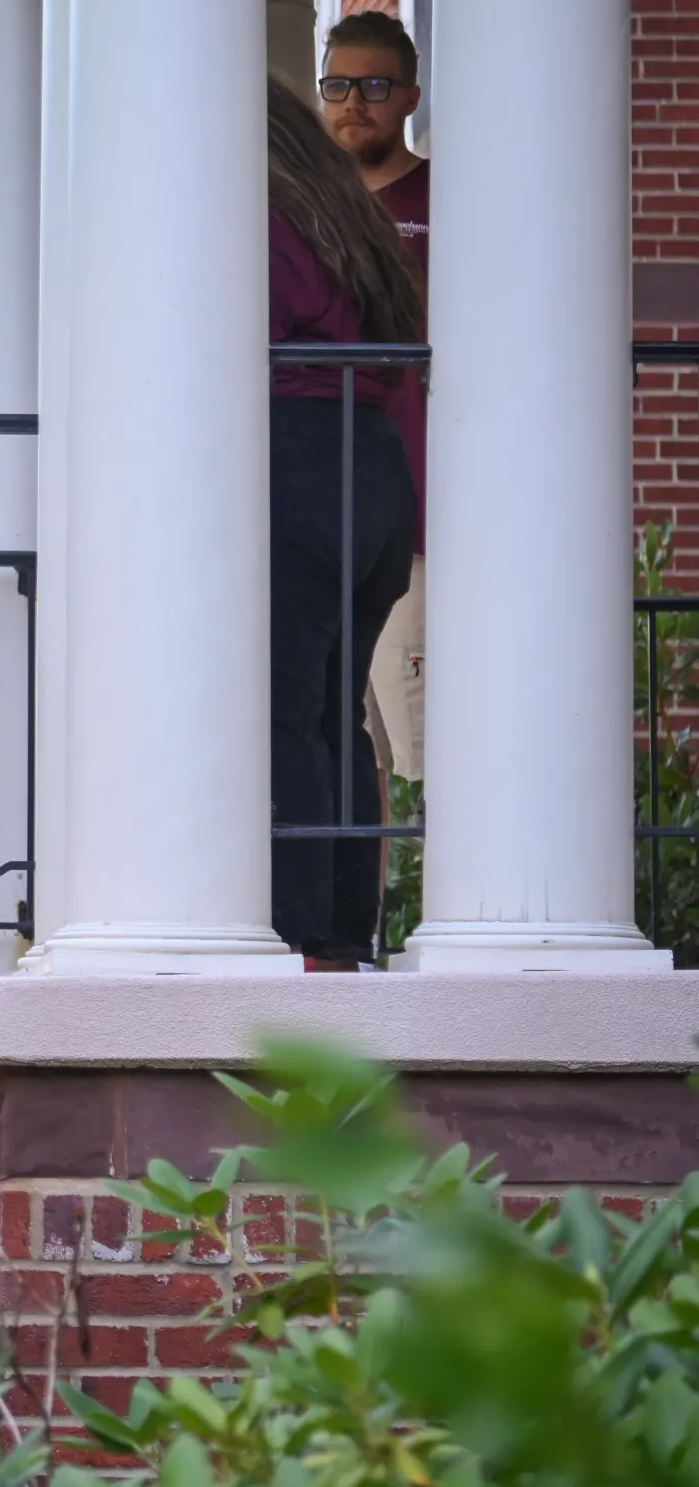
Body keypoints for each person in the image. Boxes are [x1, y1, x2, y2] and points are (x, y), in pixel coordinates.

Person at [268, 77, 425, 970]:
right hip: (374, 467)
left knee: (281, 710)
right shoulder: (343, 218)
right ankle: (338, 934)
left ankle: (291, 935)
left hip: (300, 457)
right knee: (334, 709)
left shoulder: (259, 217)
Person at [319, 9, 429, 795]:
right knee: (343, 758)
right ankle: (349, 926)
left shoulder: (450, 201)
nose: (353, 101)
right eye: (337, 84)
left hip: (421, 521)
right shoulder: (305, 211)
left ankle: (459, 922)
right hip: (318, 521)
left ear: (410, 96)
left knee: (428, 755)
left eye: (375, 85)